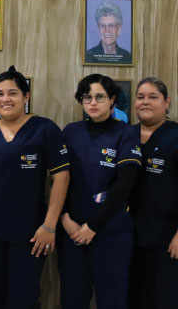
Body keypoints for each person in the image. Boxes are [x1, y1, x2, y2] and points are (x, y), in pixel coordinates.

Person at [0, 66, 70, 309]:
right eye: (0, 94)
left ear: (26, 97)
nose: (6, 99)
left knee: (23, 299)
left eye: (13, 93)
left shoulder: (45, 129)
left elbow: (62, 177)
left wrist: (49, 225)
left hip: (30, 233)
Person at [57, 74, 141, 309]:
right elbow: (59, 180)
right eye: (87, 97)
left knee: (112, 301)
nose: (93, 102)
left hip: (110, 232)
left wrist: (93, 226)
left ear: (112, 99)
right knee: (72, 300)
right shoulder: (70, 132)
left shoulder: (126, 133)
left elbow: (125, 184)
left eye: (100, 97)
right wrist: (64, 217)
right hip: (72, 230)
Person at [127, 78, 178, 309]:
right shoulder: (126, 135)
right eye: (140, 97)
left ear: (167, 102)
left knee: (165, 300)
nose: (145, 102)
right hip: (128, 237)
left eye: (153, 97)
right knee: (132, 300)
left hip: (168, 239)